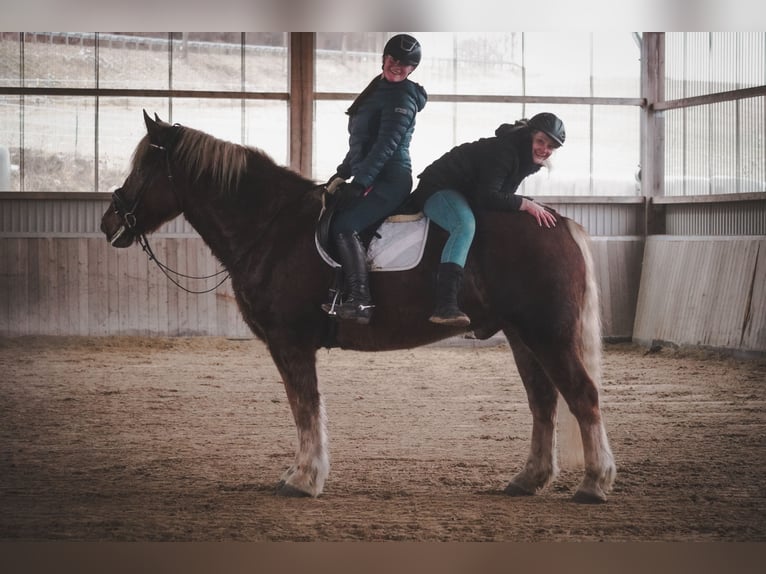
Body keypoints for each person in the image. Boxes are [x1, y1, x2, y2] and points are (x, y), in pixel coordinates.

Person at [409, 112, 565, 327]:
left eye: (551, 147)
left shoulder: (525, 159)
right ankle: (445, 304)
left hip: (466, 193)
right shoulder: (505, 152)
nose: (544, 150)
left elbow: (501, 196)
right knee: (464, 226)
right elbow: (488, 196)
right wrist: (526, 204)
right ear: (530, 135)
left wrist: (522, 203)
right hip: (438, 188)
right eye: (541, 141)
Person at [325, 33, 428, 325]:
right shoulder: (376, 88)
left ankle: (360, 301)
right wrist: (343, 172)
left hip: (390, 179)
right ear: (385, 58)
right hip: (369, 173)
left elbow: (386, 145)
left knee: (345, 226)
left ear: (412, 70)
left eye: (406, 64)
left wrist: (359, 183)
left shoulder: (403, 97)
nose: (398, 66)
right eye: (394, 59)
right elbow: (362, 142)